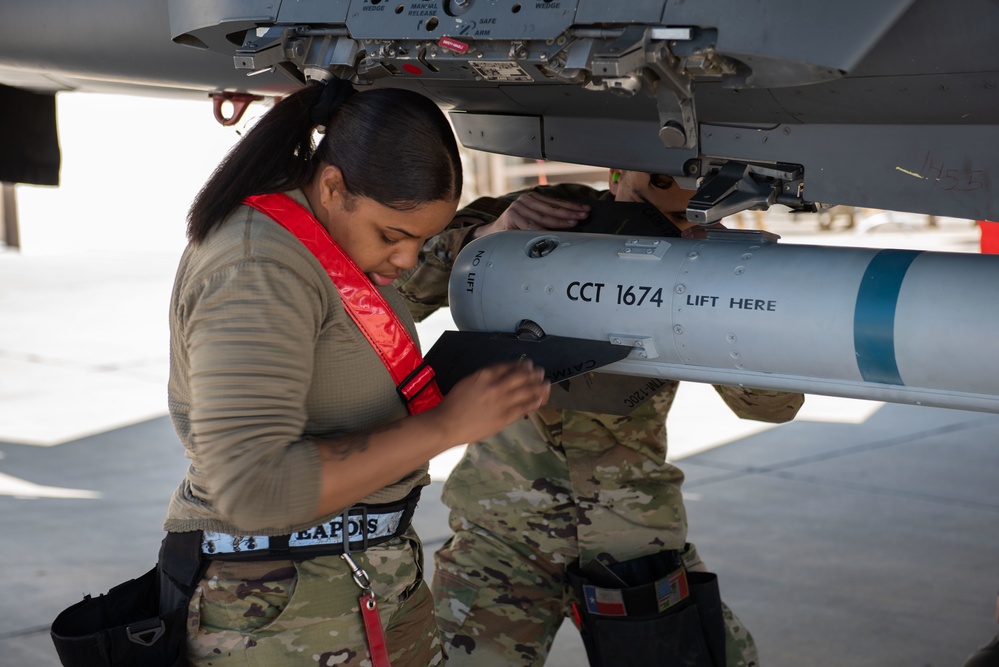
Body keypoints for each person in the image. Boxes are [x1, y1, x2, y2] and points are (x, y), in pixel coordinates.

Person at [160, 80, 551, 667]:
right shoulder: (257, 268)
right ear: (332, 185)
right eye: (393, 236)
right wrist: (446, 426)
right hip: (277, 606)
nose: (406, 260)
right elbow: (253, 486)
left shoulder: (324, 241)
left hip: (363, 574)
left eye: (421, 241)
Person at [396, 169, 805, 666]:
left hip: (633, 540)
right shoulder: (537, 217)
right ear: (618, 175)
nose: (668, 225)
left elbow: (771, 407)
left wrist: (722, 307)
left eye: (685, 212)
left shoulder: (692, 261)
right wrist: (484, 242)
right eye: (659, 191)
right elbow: (399, 292)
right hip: (503, 536)